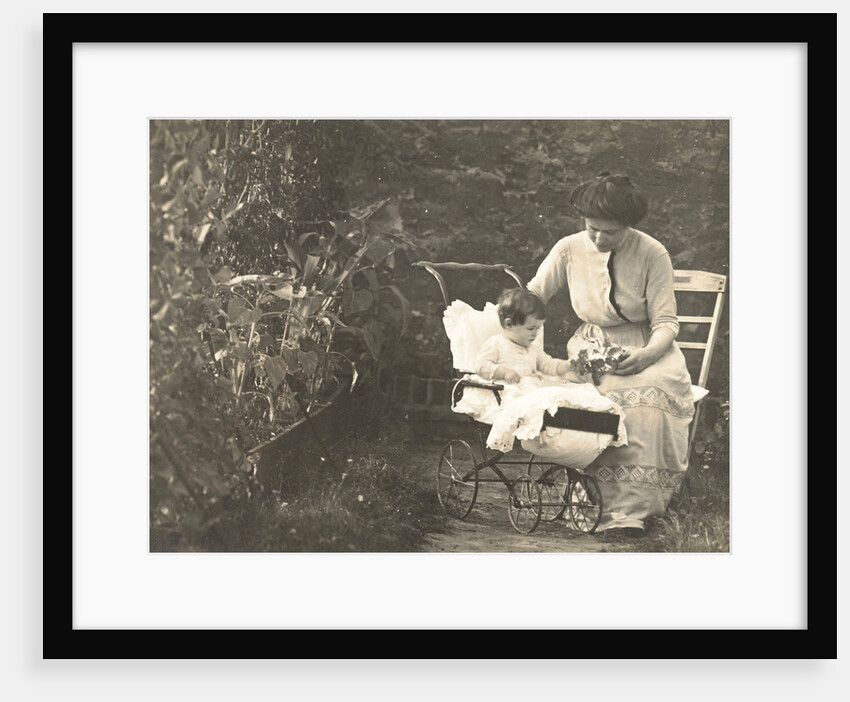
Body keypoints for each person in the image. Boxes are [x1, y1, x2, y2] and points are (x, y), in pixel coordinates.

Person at [527, 172, 696, 534]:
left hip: (648, 345)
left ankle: (634, 512)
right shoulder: (568, 248)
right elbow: (535, 295)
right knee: (597, 395)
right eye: (592, 228)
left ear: (629, 226)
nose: (599, 238)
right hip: (592, 345)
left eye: (611, 231)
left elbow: (666, 321)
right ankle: (590, 501)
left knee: (647, 396)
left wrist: (648, 354)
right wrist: (508, 327)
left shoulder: (653, 252)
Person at [474, 288, 579, 387]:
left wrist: (567, 365)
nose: (535, 333)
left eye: (537, 328)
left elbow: (548, 365)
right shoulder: (496, 344)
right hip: (506, 391)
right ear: (509, 324)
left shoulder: (533, 348)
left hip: (527, 390)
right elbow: (481, 366)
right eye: (531, 328)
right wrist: (503, 372)